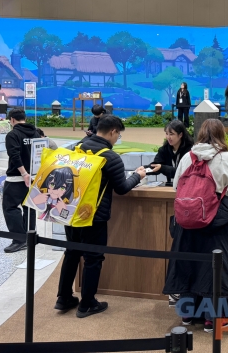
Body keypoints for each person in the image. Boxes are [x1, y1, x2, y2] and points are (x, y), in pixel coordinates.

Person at [56, 115, 146, 318]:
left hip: (71, 211)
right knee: (93, 259)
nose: (117, 138)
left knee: (72, 253)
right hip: (94, 216)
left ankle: (63, 297)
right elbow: (122, 188)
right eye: (118, 134)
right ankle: (87, 304)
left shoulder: (78, 147)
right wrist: (138, 176)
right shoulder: (110, 157)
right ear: (113, 131)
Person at [163, 119, 228, 333]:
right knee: (216, 269)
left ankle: (187, 314)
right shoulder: (225, 157)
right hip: (216, 222)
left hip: (186, 222)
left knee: (188, 264)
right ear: (221, 134)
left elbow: (176, 186)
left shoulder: (188, 156)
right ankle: (212, 319)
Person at [2, 108, 39, 253]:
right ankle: (30, 236)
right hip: (33, 176)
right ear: (25, 118)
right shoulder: (36, 133)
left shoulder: (13, 134)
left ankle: (19, 239)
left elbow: (14, 155)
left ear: (12, 119)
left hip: (18, 177)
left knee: (10, 207)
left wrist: (24, 174)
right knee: (29, 207)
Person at [150, 120, 194, 185]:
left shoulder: (190, 151)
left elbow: (182, 172)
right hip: (170, 186)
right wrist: (143, 170)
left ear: (180, 135)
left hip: (187, 186)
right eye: (166, 133)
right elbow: (156, 166)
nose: (168, 137)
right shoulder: (164, 149)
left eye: (171, 134)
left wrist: (162, 168)